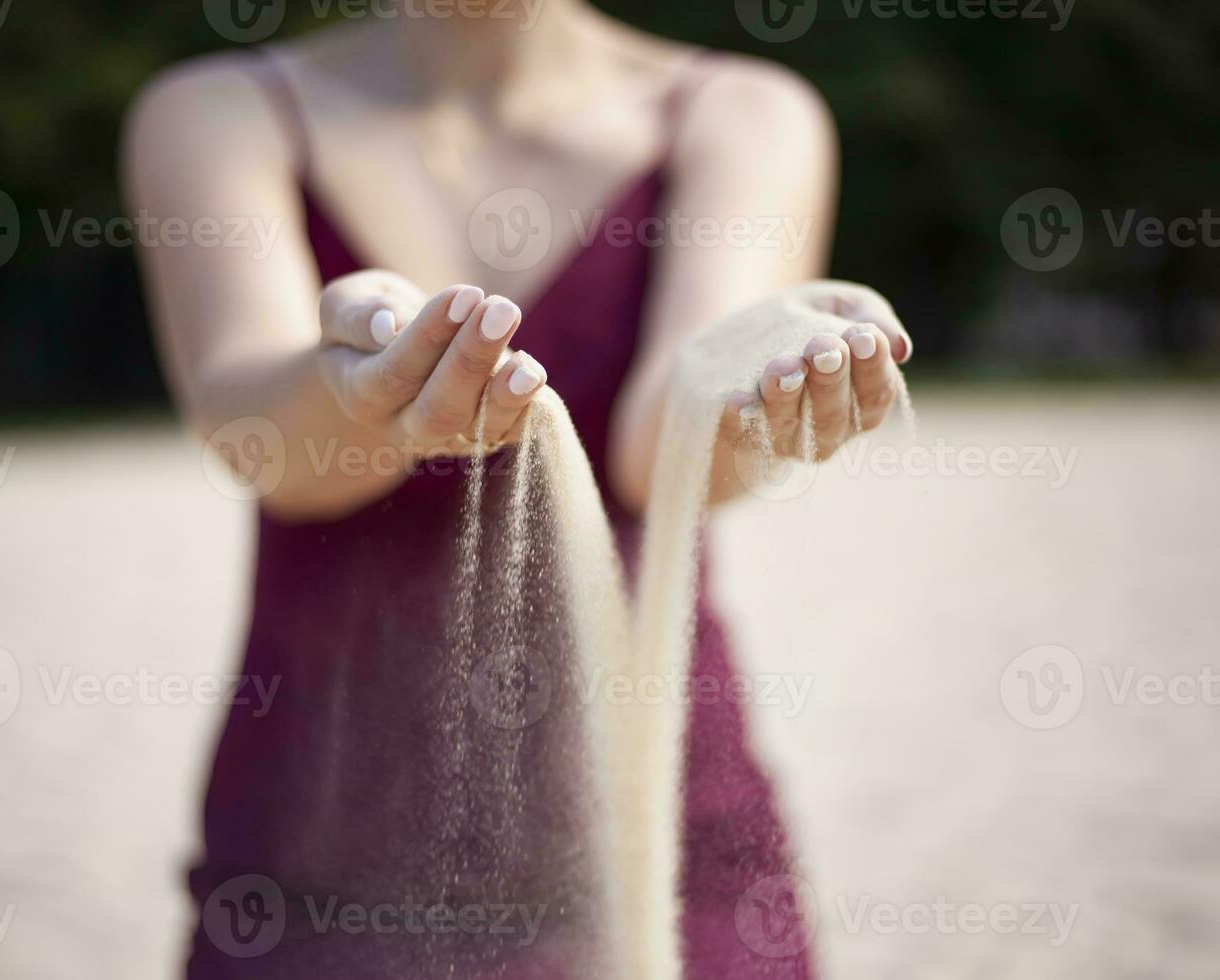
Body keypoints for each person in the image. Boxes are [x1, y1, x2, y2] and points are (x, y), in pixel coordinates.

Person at [123, 1, 911, 976]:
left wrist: (764, 387)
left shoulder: (740, 112)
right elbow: (265, 446)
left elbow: (656, 451)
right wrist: (360, 390)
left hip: (660, 856)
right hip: (314, 866)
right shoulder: (220, 114)